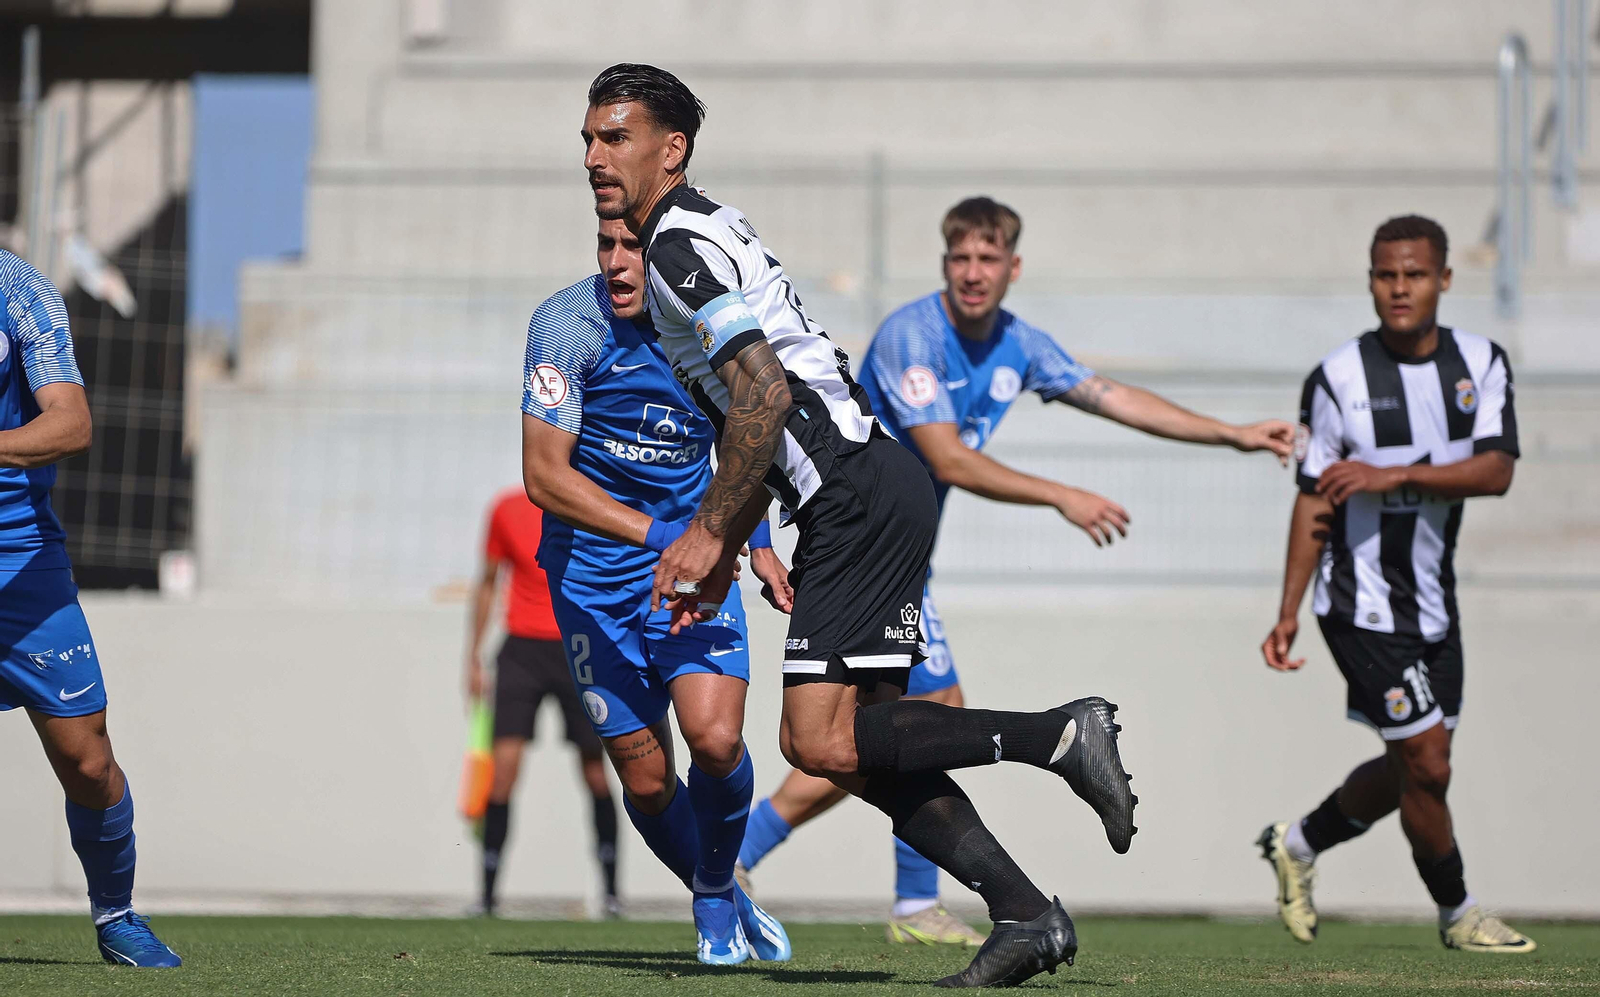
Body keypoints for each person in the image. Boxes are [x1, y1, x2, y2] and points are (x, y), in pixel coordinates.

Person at [583, 63, 1137, 988]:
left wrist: (711, 532)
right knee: (869, 744)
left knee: (815, 742)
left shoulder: (676, 248)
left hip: (853, 495)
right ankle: (1025, 914)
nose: (597, 157)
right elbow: (760, 408)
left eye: (618, 138)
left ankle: (1059, 737)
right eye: (591, 139)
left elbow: (762, 393)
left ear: (670, 150)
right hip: (870, 485)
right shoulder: (706, 230)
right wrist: (742, 541)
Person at [736, 196, 1296, 945]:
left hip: (890, 557)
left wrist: (1231, 433)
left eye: (987, 259)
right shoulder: (914, 335)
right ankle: (778, 864)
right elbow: (946, 456)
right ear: (945, 266)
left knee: (860, 733)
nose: (973, 273)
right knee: (867, 731)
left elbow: (1109, 394)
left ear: (1013, 267)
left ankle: (876, 890)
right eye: (960, 259)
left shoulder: (1017, 343)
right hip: (859, 548)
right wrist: (1061, 493)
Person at [1257, 215, 1534, 954]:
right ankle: (1459, 912)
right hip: (1359, 605)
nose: (1399, 288)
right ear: (1371, 279)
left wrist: (1396, 470)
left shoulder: (1480, 363)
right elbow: (1314, 498)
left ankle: (1300, 841)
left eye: (1414, 274)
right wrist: (1286, 610)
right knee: (1429, 762)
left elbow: (1498, 469)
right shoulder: (1338, 377)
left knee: (1412, 765)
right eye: (1386, 275)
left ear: (1444, 278)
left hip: (1436, 609)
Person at [521, 216, 790, 965]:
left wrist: (757, 544)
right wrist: (658, 536)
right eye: (604, 244)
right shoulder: (567, 326)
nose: (616, 262)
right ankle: (728, 896)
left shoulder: (707, 326)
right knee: (645, 780)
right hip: (591, 583)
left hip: (693, 569)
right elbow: (545, 477)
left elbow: (749, 432)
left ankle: (710, 892)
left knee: (716, 738)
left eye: (632, 247)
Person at [0, 250, 180, 967]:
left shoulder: (19, 290)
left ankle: (117, 914)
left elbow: (70, 424)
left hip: (23, 561)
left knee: (87, 759)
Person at [463, 487, 619, 917]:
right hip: (521, 651)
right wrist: (473, 659)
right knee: (503, 773)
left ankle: (611, 894)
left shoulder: (590, 499)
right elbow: (488, 582)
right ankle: (488, 897)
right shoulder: (506, 508)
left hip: (580, 647)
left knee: (597, 773)